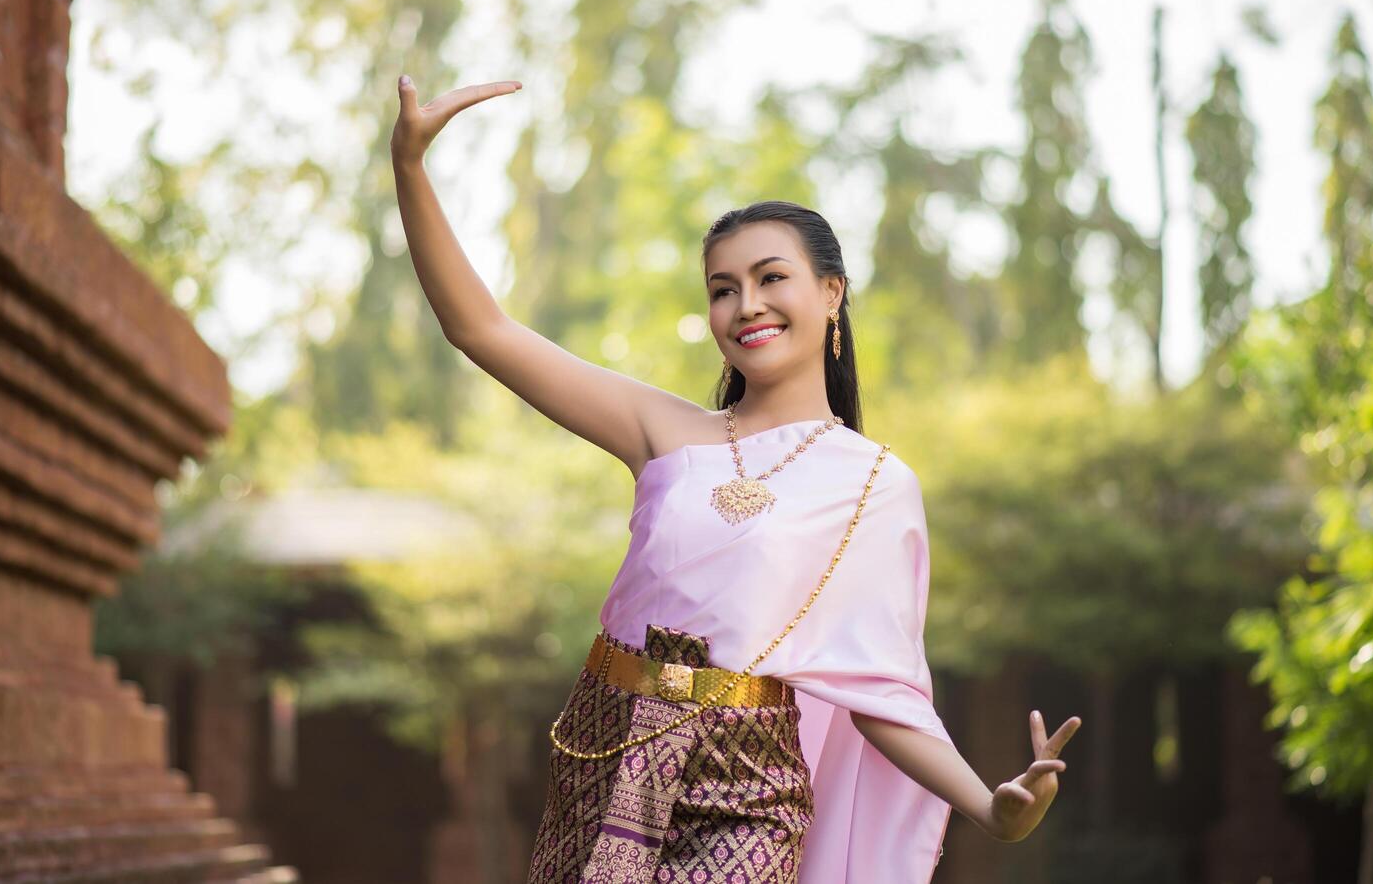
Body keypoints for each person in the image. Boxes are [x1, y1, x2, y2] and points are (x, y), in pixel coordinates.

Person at [390, 76, 1082, 883]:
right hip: (610, 740)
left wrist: (988, 808)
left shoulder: (872, 485)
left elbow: (879, 688)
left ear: (831, 292)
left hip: (746, 779)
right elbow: (481, 328)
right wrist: (409, 167)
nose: (744, 304)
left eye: (769, 277)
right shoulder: (662, 431)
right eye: (722, 289)